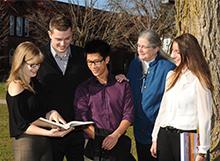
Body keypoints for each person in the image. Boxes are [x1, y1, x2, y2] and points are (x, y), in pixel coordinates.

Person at [150, 33, 213, 161]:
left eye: (177, 52)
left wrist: (202, 150)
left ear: (189, 52)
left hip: (187, 138)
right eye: (172, 51)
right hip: (164, 136)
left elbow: (205, 116)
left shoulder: (200, 80)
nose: (172, 55)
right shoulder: (171, 75)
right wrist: (155, 137)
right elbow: (164, 108)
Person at [36, 15, 91, 161]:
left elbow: (99, 75)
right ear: (49, 34)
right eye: (58, 39)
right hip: (49, 130)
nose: (63, 44)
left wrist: (117, 77)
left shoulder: (82, 55)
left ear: (72, 33)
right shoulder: (38, 57)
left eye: (67, 38)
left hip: (77, 128)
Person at [6, 41, 71, 161]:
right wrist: (49, 133)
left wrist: (51, 114)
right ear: (20, 63)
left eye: (38, 64)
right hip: (26, 143)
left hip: (44, 142)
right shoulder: (16, 86)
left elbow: (36, 115)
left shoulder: (35, 83)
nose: (36, 69)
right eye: (32, 65)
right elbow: (20, 126)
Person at [74, 39, 135, 161]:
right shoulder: (83, 89)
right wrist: (102, 140)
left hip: (119, 143)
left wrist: (115, 136)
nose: (93, 66)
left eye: (97, 62)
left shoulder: (122, 86)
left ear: (106, 60)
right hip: (94, 147)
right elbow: (82, 119)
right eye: (89, 62)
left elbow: (128, 114)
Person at [127, 30, 176, 161]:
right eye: (138, 46)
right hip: (139, 128)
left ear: (156, 49)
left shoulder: (168, 69)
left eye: (144, 46)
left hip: (159, 131)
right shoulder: (134, 65)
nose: (140, 49)